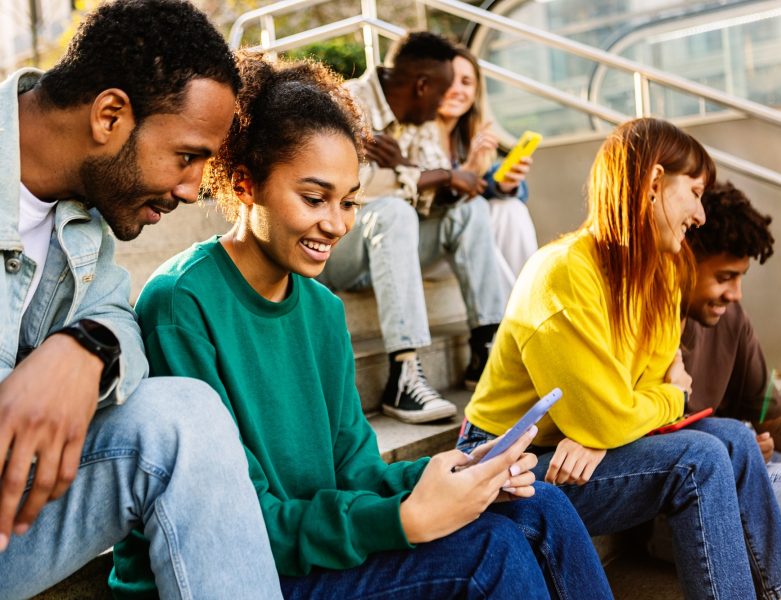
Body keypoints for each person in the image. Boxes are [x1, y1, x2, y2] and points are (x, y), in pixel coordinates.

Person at [111, 51, 615, 600]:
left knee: (538, 501)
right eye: (313, 197)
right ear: (245, 184)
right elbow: (234, 526)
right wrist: (403, 522)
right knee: (492, 553)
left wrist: (451, 474)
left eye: (349, 201)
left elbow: (357, 471)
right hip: (243, 567)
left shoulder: (322, 309)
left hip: (309, 542)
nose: (336, 224)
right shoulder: (181, 302)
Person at [0, 1, 281, 598]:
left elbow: (115, 319)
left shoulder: (81, 217)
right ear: (109, 115)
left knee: (184, 417)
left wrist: (85, 345)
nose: (190, 188)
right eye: (187, 156)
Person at [457, 117, 781, 599]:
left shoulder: (662, 274)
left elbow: (626, 407)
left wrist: (607, 425)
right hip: (509, 460)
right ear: (655, 184)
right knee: (698, 457)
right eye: (696, 192)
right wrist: (616, 417)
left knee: (733, 439)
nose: (700, 215)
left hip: (576, 454)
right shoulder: (564, 273)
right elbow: (641, 401)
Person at [317, 32, 508, 422]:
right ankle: (403, 376)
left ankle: (487, 348)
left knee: (468, 211)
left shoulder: (416, 120)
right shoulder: (347, 104)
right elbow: (344, 188)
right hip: (338, 250)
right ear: (422, 86)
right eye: (441, 94)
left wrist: (429, 178)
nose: (442, 105)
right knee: (394, 211)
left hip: (394, 247)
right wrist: (422, 174)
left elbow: (434, 185)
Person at [682, 181, 781, 551]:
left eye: (740, 277)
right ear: (682, 258)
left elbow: (772, 416)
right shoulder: (641, 324)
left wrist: (750, 447)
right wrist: (736, 449)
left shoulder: (731, 319)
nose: (735, 295)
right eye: (724, 277)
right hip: (686, 508)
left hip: (743, 482)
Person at [432, 44, 539, 292]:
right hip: (433, 244)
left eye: (466, 82)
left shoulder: (471, 138)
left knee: (510, 208)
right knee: (477, 213)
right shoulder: (416, 134)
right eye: (449, 80)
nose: (457, 90)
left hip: (469, 241)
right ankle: (516, 320)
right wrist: (467, 170)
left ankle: (531, 303)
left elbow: (490, 185)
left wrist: (505, 184)